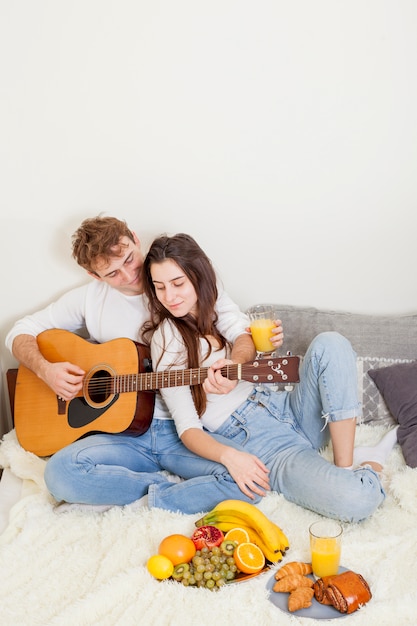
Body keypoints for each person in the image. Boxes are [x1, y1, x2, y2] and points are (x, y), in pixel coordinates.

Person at [6, 216, 282, 507]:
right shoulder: (88, 300)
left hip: (180, 428)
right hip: (124, 433)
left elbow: (240, 332)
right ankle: (160, 491)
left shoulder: (180, 280)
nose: (128, 275)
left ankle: (156, 498)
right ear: (94, 276)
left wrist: (237, 364)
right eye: (112, 273)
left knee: (251, 481)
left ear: (135, 238)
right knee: (60, 474)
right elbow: (20, 331)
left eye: (128, 258)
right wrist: (45, 369)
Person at [135, 232, 396, 523]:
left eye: (178, 283)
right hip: (257, 439)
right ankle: (370, 464)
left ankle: (345, 467)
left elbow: (244, 338)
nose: (169, 296)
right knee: (357, 500)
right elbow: (188, 429)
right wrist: (229, 457)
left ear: (197, 276)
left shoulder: (215, 303)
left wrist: (233, 367)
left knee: (330, 343)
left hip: (285, 406)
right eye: (159, 287)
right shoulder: (166, 340)